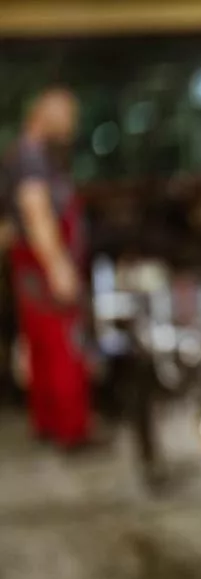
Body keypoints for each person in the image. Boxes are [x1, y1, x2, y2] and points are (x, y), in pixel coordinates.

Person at [3, 87, 92, 450]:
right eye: (68, 118)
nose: (72, 127)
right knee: (61, 344)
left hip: (31, 262)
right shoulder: (32, 156)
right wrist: (58, 266)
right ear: (47, 115)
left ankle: (48, 424)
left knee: (41, 344)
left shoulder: (26, 155)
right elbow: (36, 210)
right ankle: (71, 430)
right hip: (41, 264)